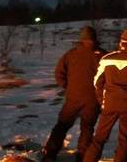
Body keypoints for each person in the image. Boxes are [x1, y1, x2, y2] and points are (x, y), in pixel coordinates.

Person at [83, 29, 127, 162]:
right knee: (125, 139)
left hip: (109, 103)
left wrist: (102, 101)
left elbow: (97, 82)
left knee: (99, 138)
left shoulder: (106, 59)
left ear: (120, 42)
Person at [42, 26, 106, 162]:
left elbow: (59, 73)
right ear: (95, 38)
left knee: (62, 124)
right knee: (87, 128)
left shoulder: (71, 54)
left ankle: (50, 154)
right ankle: (82, 156)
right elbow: (109, 78)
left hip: (73, 97)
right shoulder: (104, 56)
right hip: (93, 99)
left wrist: (68, 87)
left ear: (81, 39)